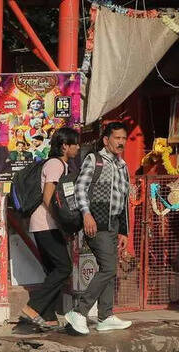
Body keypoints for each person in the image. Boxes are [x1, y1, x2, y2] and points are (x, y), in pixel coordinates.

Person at [66, 121, 134, 335]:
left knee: (109, 268)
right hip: (97, 221)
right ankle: (79, 311)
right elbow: (80, 188)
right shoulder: (94, 160)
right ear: (106, 140)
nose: (121, 142)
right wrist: (86, 214)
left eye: (124, 138)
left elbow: (123, 200)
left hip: (113, 223)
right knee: (109, 268)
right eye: (117, 138)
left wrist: (124, 230)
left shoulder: (122, 166)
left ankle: (105, 316)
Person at [17, 127, 81, 332]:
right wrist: (62, 223)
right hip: (47, 224)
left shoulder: (55, 164)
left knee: (53, 270)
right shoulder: (56, 164)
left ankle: (49, 316)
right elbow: (48, 197)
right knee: (64, 268)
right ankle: (33, 308)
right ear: (65, 146)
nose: (78, 148)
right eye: (75, 144)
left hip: (42, 224)